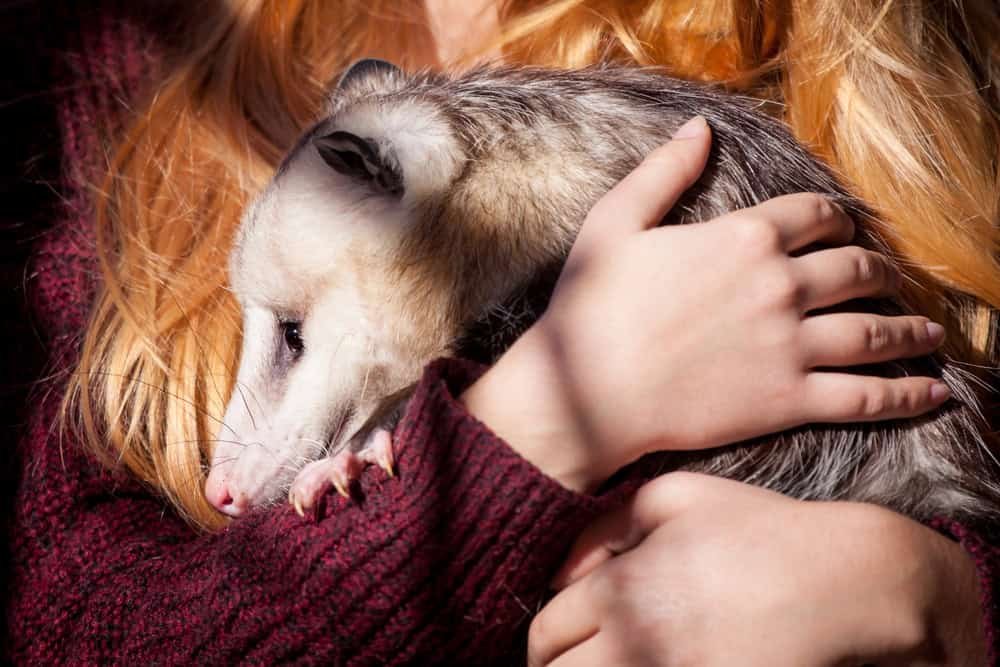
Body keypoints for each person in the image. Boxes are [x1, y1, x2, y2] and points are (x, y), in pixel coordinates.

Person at [7, 1, 998, 664]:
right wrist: (537, 426)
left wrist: (942, 595)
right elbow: (70, 632)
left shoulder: (867, 38)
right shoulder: (126, 73)